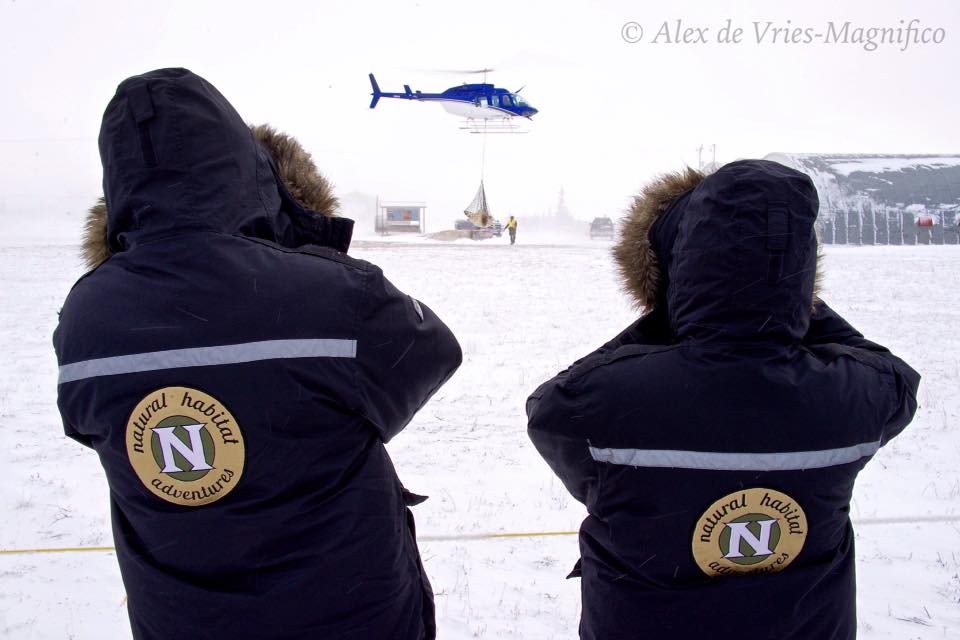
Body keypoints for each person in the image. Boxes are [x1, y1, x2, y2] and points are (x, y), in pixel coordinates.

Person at [54, 68, 461, 640]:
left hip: (180, 621)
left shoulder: (84, 317)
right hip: (350, 616)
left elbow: (92, 424)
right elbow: (432, 352)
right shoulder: (331, 294)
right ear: (242, 167)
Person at [526, 160, 919, 640]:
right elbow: (895, 376)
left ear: (677, 271)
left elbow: (549, 407)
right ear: (805, 269)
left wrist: (666, 314)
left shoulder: (609, 402)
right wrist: (786, 302)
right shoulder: (855, 398)